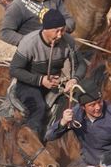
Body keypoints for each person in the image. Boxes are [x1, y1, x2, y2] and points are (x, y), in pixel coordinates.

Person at [8, 9, 87, 137]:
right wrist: (41, 80)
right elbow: (15, 69)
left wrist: (74, 80)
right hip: (29, 84)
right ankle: (34, 146)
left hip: (56, 84)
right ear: (46, 29)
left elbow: (81, 64)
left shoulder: (68, 41)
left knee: (82, 100)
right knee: (38, 109)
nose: (60, 35)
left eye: (62, 30)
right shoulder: (29, 43)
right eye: (57, 31)